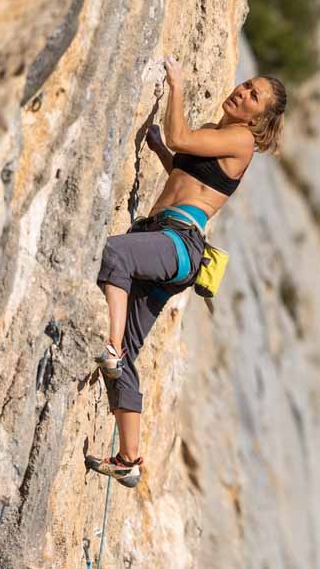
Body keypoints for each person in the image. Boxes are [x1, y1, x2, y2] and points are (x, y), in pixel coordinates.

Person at [84, 56, 287, 487]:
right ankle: (128, 458)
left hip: (179, 244)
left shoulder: (240, 140)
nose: (242, 92)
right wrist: (162, 151)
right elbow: (188, 179)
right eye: (247, 84)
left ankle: (111, 346)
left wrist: (176, 86)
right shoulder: (216, 136)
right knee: (129, 360)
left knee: (115, 256)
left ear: (260, 118)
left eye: (254, 96)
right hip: (169, 246)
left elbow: (180, 136)